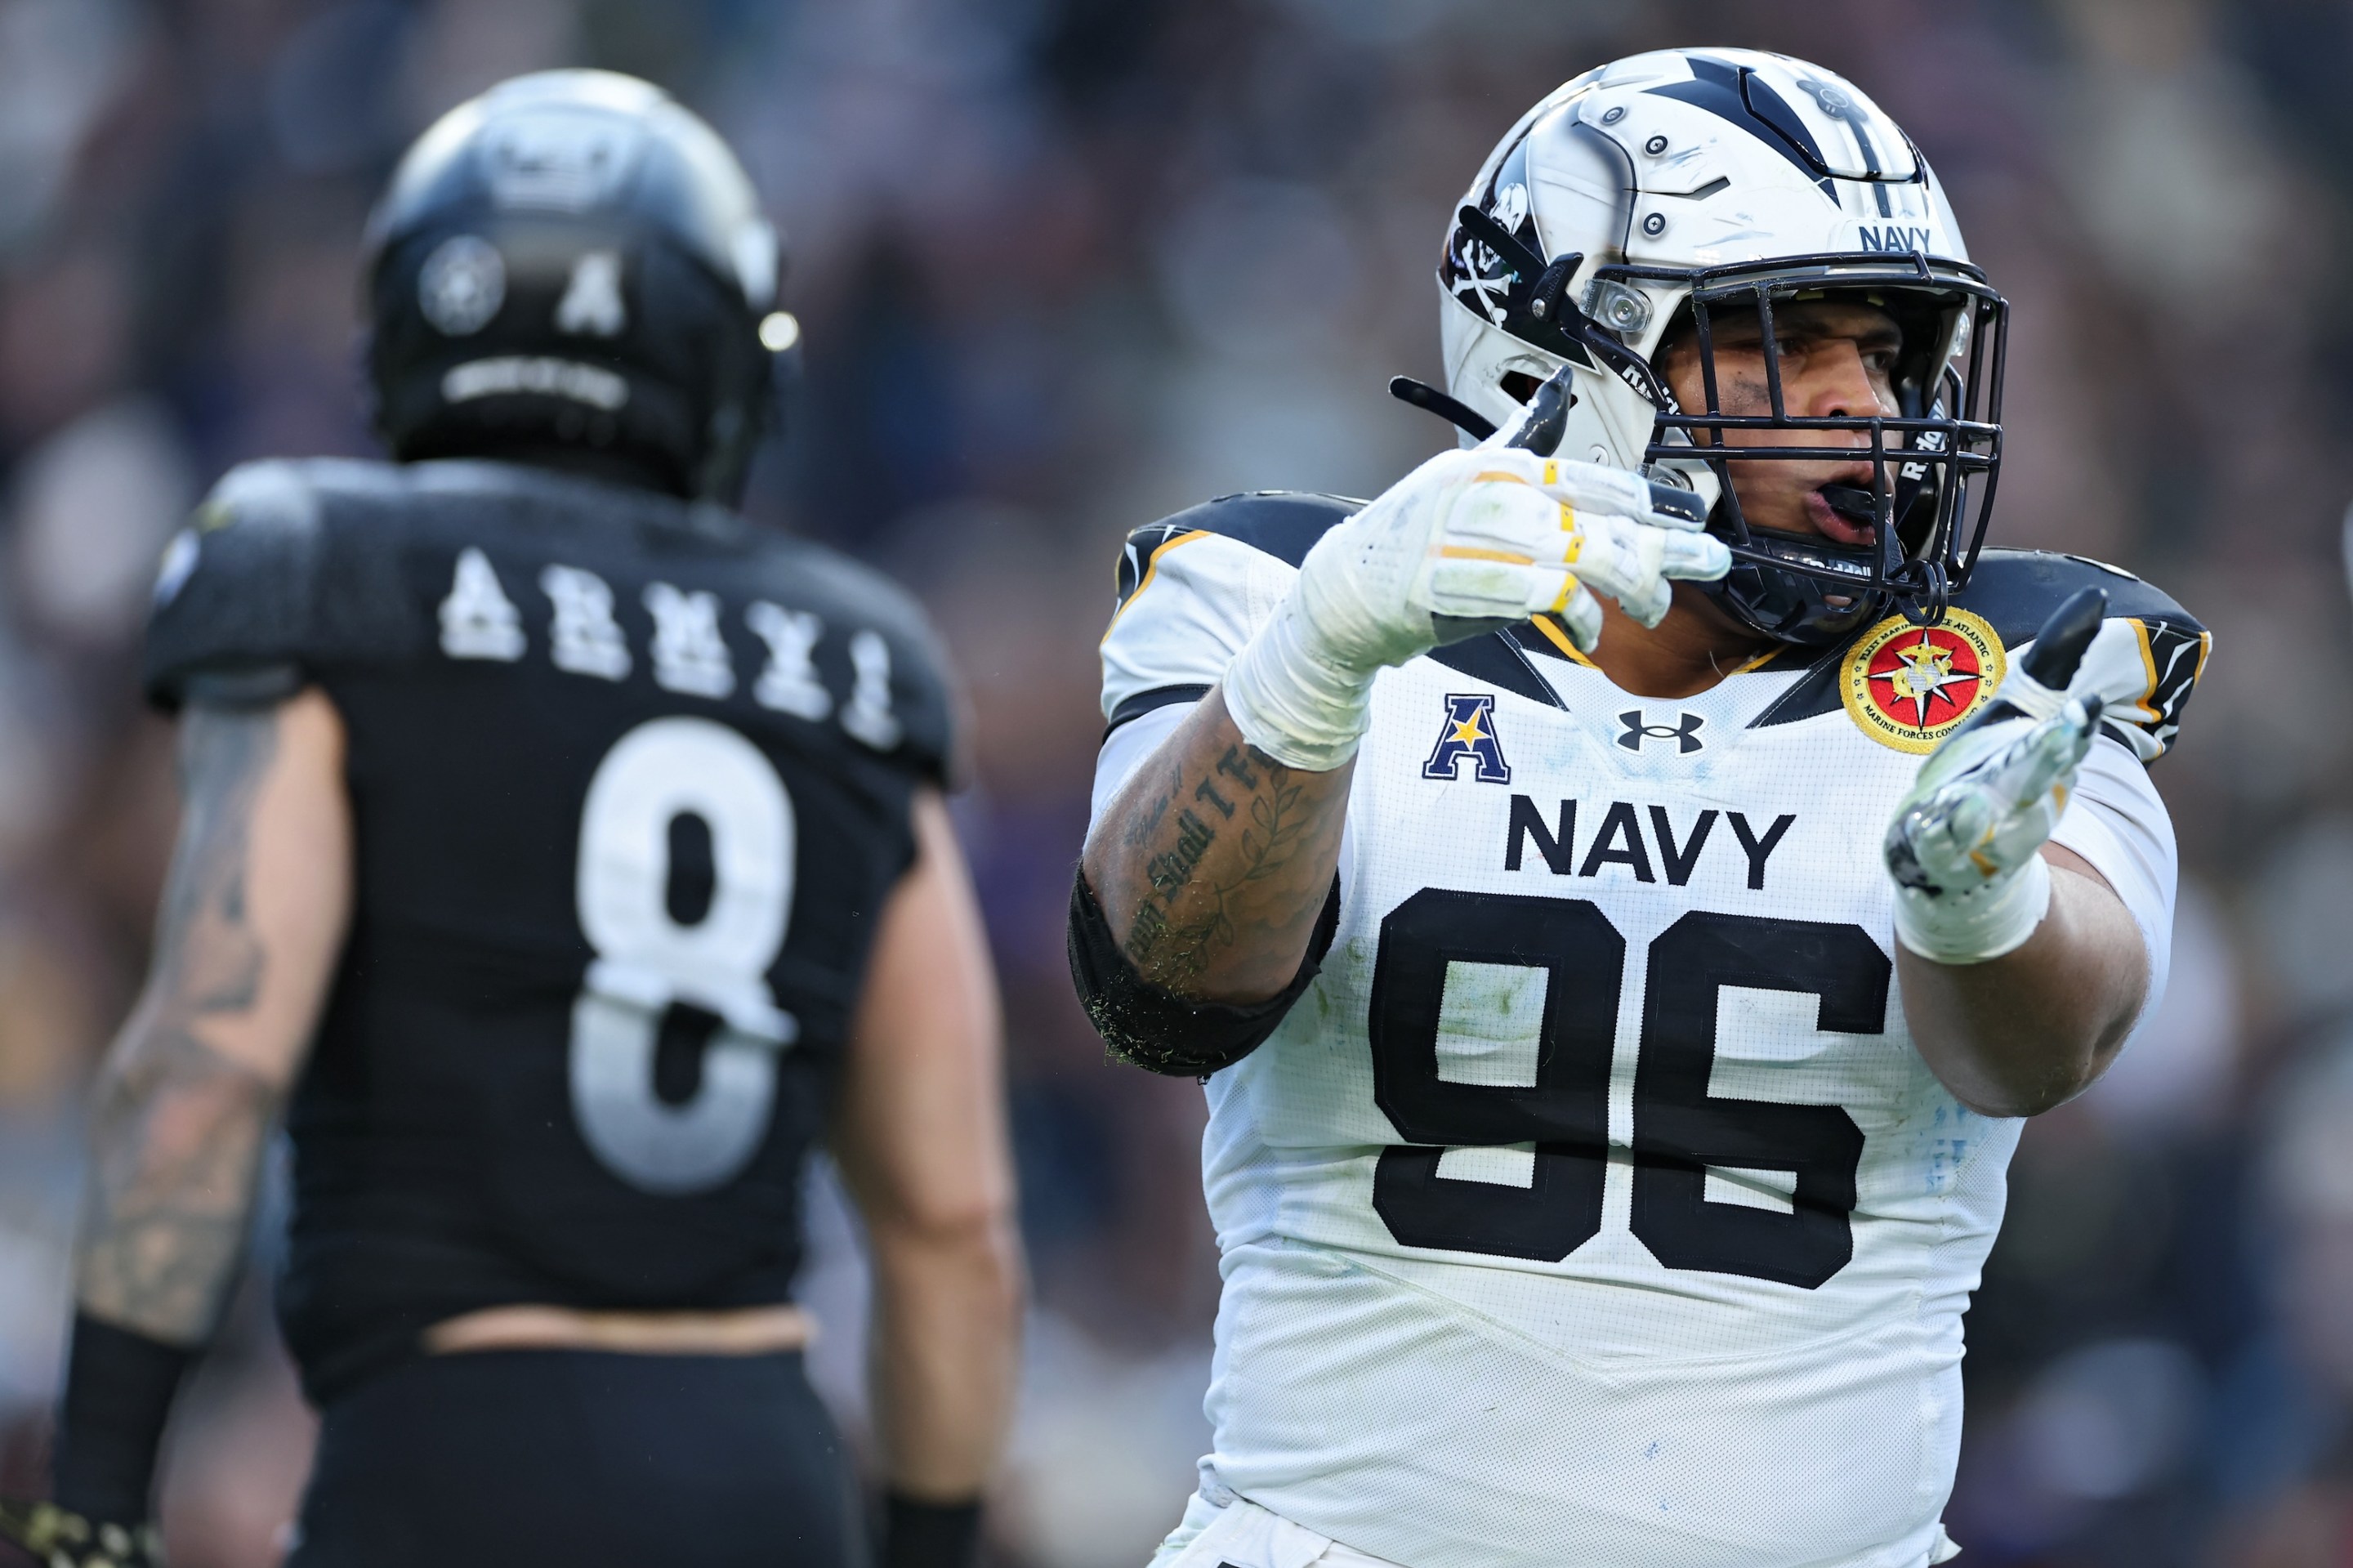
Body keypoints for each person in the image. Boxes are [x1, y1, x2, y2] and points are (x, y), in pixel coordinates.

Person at [1069, 47, 2208, 1568]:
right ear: (1570, 361)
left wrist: (1978, 894)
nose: (1865, 408)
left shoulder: (2009, 670)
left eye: (1885, 353)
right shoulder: (1290, 602)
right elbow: (1153, 992)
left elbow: (2053, 1049)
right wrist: (1312, 673)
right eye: (1788, 343)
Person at [0, 70, 1022, 1568]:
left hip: (449, 1456)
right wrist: (929, 1547)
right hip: (760, 1474)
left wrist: (90, 1492)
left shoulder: (321, 564)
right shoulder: (864, 655)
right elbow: (954, 1225)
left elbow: (205, 1068)